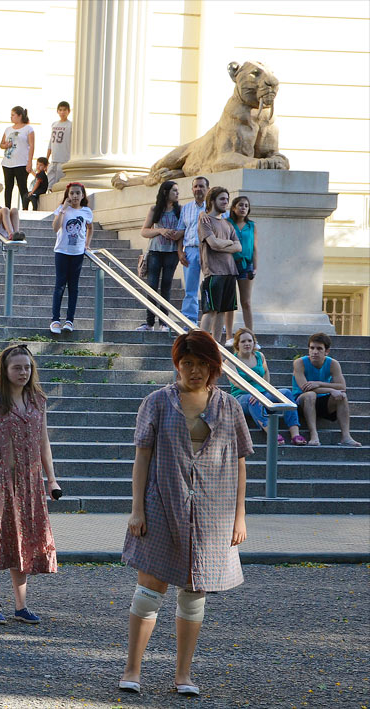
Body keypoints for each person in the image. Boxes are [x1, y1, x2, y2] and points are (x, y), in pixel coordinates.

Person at [119, 331, 253, 697]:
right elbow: (142, 457)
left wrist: (240, 516)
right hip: (162, 503)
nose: (195, 371)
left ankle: (183, 674)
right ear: (177, 364)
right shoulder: (157, 402)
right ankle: (132, 669)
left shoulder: (229, 406)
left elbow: (240, 463)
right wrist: (136, 509)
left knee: (195, 592)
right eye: (187, 363)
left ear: (214, 366)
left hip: (213, 510)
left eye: (202, 364)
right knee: (149, 589)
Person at [0, 344, 59, 626]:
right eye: (17, 367)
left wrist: (52, 479)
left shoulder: (38, 400)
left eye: (27, 367)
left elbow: (44, 442)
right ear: (5, 370)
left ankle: (21, 605)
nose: (23, 372)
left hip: (30, 482)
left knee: (22, 540)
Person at [229, 329, 305, 446]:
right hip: (241, 397)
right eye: (243, 341)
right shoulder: (230, 360)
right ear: (237, 344)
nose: (247, 344)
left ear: (254, 343)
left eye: (250, 340)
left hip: (262, 394)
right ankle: (271, 433)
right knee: (252, 400)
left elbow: (266, 374)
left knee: (286, 393)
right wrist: (255, 393)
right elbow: (236, 382)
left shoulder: (260, 356)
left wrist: (264, 392)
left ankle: (295, 434)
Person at [292, 332, 361, 447]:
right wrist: (330, 390)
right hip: (301, 403)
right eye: (312, 348)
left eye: (319, 348)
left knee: (342, 396)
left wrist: (318, 383)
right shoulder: (299, 363)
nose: (315, 352)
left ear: (327, 351)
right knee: (310, 395)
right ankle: (314, 435)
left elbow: (342, 387)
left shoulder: (332, 364)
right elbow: (305, 388)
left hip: (322, 402)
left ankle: (346, 437)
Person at [136, 181, 185, 331]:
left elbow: (183, 231)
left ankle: (164, 322)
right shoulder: (155, 209)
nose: (177, 193)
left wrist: (179, 244)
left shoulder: (180, 210)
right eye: (174, 191)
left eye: (178, 190)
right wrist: (160, 231)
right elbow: (144, 231)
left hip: (171, 253)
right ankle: (149, 323)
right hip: (155, 252)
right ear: (165, 192)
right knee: (152, 286)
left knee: (166, 287)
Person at [198, 186, 241, 344]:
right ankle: (201, 344)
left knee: (223, 310)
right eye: (222, 199)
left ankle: (216, 345)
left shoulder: (228, 224)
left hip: (230, 271)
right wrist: (229, 243)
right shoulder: (205, 220)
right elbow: (213, 244)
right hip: (213, 272)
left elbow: (239, 247)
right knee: (210, 310)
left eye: (227, 199)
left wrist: (226, 244)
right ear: (212, 201)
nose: (226, 202)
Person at [51, 182, 93, 334]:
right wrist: (63, 209)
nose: (75, 196)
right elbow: (55, 228)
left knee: (73, 287)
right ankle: (55, 320)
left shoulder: (86, 211)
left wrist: (87, 244)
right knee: (60, 285)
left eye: (77, 193)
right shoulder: (62, 210)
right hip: (62, 251)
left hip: (77, 253)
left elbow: (90, 228)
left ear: (83, 195)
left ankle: (70, 320)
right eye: (72, 193)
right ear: (67, 195)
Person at [177, 176, 211, 324]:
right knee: (190, 289)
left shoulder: (213, 208)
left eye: (201, 186)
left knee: (211, 287)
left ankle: (213, 321)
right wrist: (180, 251)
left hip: (210, 251)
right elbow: (181, 231)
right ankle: (189, 322)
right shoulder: (186, 208)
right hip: (190, 250)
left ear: (208, 189)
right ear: (192, 189)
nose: (198, 189)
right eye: (196, 186)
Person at [227, 196, 257, 335]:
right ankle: (228, 335)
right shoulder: (227, 223)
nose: (243, 208)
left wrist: (255, 267)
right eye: (240, 205)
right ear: (234, 207)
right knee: (229, 303)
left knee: (246, 302)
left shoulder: (252, 225)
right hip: (229, 264)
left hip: (246, 265)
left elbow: (254, 247)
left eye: (246, 205)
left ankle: (251, 335)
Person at [0, 106, 34, 210]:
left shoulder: (28, 129)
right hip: (8, 162)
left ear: (20, 116)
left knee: (22, 186)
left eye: (13, 115)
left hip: (21, 162)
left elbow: (31, 145)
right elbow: (1, 144)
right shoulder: (8, 129)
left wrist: (30, 162)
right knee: (8, 187)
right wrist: (6, 145)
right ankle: (7, 208)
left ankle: (25, 209)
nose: (11, 117)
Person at [45, 101, 72, 187]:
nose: (62, 112)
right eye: (60, 110)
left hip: (64, 159)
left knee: (61, 185)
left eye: (64, 110)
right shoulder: (54, 124)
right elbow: (51, 142)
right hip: (54, 160)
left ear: (68, 111)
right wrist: (47, 158)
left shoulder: (71, 125)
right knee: (50, 185)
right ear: (57, 111)